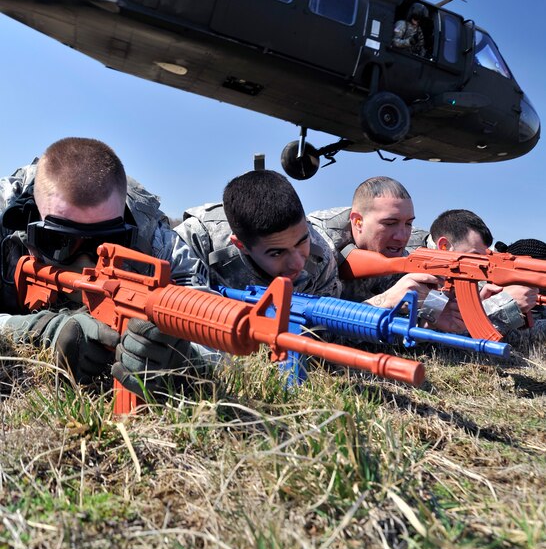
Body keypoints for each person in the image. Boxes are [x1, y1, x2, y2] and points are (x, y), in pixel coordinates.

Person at [0, 137, 214, 394]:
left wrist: (185, 359)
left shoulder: (159, 245)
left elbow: (214, 340)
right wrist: (43, 330)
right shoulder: (5, 211)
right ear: (31, 222)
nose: (87, 265)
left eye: (109, 240)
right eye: (62, 241)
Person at [176, 169, 341, 297]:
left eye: (301, 242)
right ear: (241, 245)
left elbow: (324, 333)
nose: (297, 263)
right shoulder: (199, 240)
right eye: (277, 252)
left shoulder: (321, 258)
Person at [307, 176, 436, 309]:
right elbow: (303, 319)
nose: (402, 236)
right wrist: (384, 301)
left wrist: (431, 318)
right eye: (390, 224)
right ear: (358, 222)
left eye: (409, 223)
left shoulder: (400, 258)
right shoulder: (316, 247)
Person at [424, 209, 538, 336]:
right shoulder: (421, 280)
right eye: (474, 256)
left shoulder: (464, 278)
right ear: (444, 246)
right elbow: (433, 338)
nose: (480, 264)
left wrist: (480, 303)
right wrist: (503, 304)